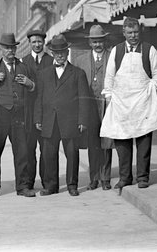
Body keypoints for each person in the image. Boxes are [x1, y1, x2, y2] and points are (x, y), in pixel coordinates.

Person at [100, 17, 157, 189]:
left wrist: (151, 87)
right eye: (130, 33)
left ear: (139, 31)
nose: (133, 36)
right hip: (122, 103)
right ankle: (125, 177)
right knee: (122, 142)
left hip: (143, 103)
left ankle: (143, 177)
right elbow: (109, 77)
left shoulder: (149, 50)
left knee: (144, 142)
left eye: (136, 32)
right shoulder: (117, 51)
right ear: (124, 33)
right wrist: (109, 96)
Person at [0, 33, 36, 198]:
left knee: (22, 152)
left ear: (16, 48)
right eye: (6, 48)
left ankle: (23, 187)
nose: (10, 50)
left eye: (12, 47)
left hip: (19, 115)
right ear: (1, 49)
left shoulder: (25, 68)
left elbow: (36, 90)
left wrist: (30, 84)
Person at [34, 34, 89, 197]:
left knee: (72, 154)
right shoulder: (43, 74)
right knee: (49, 154)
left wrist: (82, 120)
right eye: (56, 52)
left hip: (70, 121)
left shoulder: (78, 73)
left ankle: (72, 185)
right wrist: (38, 118)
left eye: (62, 51)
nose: (59, 55)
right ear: (51, 53)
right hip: (49, 121)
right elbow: (39, 98)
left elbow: (84, 99)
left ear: (67, 52)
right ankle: (51, 186)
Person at [73, 24, 114, 191]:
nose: (98, 45)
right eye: (94, 42)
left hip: (107, 104)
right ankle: (94, 178)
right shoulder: (80, 60)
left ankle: (105, 178)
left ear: (104, 41)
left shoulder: (112, 58)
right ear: (90, 43)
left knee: (107, 142)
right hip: (89, 107)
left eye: (100, 41)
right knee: (92, 143)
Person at [21, 29, 53, 190]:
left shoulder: (51, 61)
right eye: (34, 42)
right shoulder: (23, 62)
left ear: (44, 42)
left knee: (46, 149)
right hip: (28, 113)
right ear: (29, 44)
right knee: (28, 149)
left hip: (46, 114)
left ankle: (47, 182)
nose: (37, 44)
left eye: (39, 41)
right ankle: (28, 183)